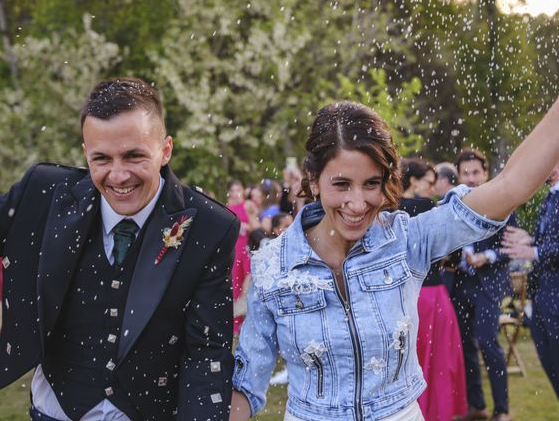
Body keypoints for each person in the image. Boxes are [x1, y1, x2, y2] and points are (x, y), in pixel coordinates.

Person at [0, 53, 240, 421]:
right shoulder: (44, 195)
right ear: (85, 153)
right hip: (53, 412)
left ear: (165, 150)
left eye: (134, 156)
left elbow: (206, 355)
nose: (118, 176)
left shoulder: (210, 227)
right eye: (102, 159)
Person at [230, 99, 559, 421]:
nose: (357, 204)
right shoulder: (273, 266)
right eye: (342, 184)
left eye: (371, 184)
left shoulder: (405, 240)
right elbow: (245, 384)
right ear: (313, 180)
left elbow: (510, 186)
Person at [450, 149, 517, 421]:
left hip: (489, 285)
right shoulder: (452, 204)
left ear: (485, 173)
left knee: (489, 344)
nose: (471, 178)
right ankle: (476, 405)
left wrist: (487, 256)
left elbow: (511, 248)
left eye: (476, 172)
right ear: (459, 175)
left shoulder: (503, 202)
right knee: (464, 346)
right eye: (465, 173)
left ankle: (502, 410)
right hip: (461, 283)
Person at [399, 158, 467, 421]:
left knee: (410, 357)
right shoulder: (429, 208)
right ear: (413, 181)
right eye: (428, 182)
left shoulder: (388, 211)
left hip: (403, 295)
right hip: (431, 294)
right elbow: (454, 252)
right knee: (437, 359)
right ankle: (436, 410)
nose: (432, 187)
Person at [501, 161, 559, 398]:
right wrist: (530, 241)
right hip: (544, 297)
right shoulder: (551, 197)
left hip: (555, 298)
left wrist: (534, 252)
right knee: (550, 362)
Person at [227, 180, 261, 334]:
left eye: (238, 189)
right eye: (233, 190)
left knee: (249, 281)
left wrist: (244, 226)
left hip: (247, 247)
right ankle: (235, 322)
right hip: (234, 248)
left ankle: (249, 319)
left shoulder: (248, 205)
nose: (235, 193)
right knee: (235, 283)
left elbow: (258, 229)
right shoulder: (227, 208)